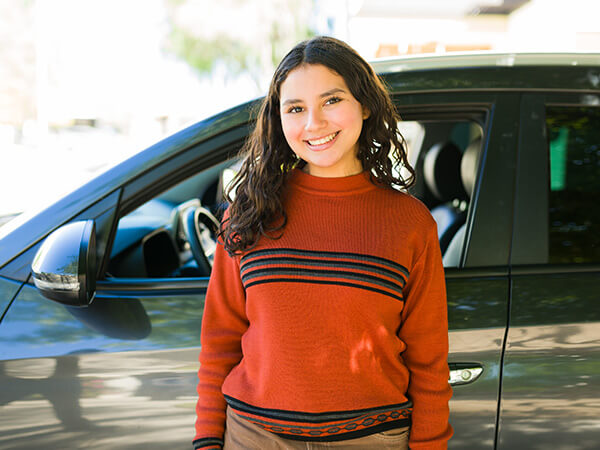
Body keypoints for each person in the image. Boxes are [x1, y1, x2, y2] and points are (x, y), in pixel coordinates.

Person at [193, 36, 452, 450]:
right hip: (255, 438)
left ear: (364, 105)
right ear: (278, 120)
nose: (313, 123)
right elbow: (220, 342)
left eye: (331, 101)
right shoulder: (248, 213)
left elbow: (428, 360)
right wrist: (208, 440)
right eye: (295, 109)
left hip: (372, 440)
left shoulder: (410, 224)